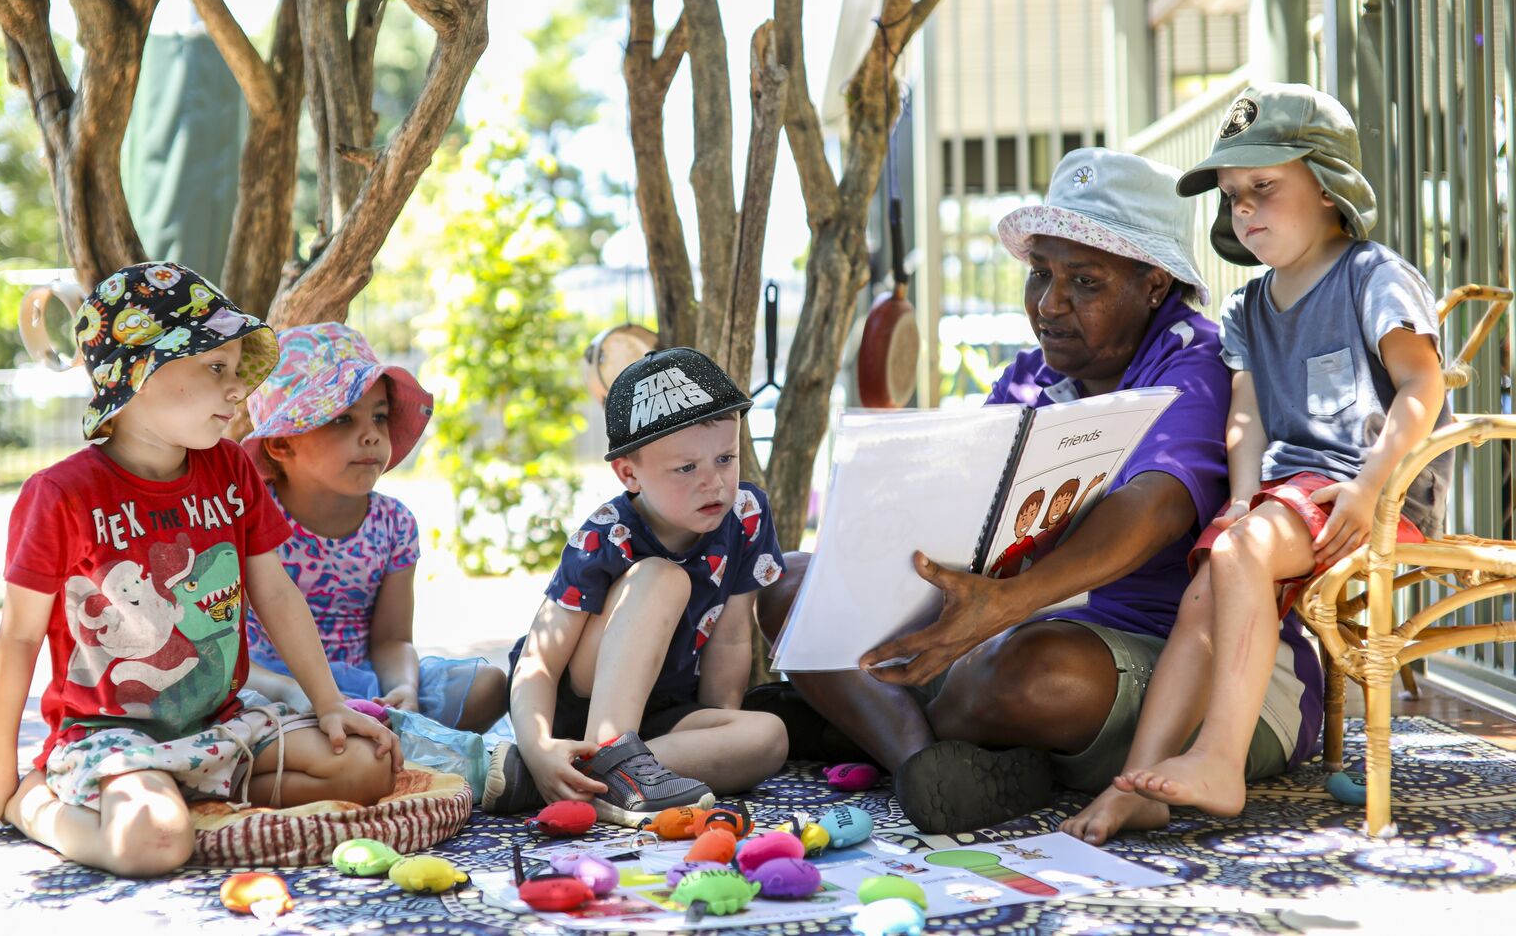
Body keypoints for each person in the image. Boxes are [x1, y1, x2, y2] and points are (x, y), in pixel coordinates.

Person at [756, 148, 1324, 834]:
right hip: (1012, 636)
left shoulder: (1199, 360)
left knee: (1031, 672)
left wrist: (1005, 605)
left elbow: (1159, 505)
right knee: (790, 585)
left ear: (1153, 284)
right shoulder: (1027, 377)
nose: (1051, 305)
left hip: (1196, 671)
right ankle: (924, 766)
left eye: (1085, 282)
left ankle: (857, 722)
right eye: (1041, 275)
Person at [1064, 84, 1449, 842]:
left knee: (1236, 552)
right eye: (1234, 196)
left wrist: (1372, 485)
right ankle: (1138, 781)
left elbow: (1421, 385)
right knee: (1202, 589)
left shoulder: (1372, 277)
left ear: (1330, 186)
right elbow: (1245, 417)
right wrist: (1240, 498)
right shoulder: (1246, 311)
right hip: (1285, 499)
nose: (1244, 210)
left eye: (1263, 188)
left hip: (1377, 490)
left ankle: (1219, 760)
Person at [0, 263, 401, 877]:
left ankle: (195, 799)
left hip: (218, 722)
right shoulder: (60, 494)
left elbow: (273, 589)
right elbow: (19, 636)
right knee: (154, 848)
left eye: (236, 369)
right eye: (215, 367)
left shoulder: (230, 471)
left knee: (366, 767)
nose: (237, 390)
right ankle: (33, 803)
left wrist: (328, 703)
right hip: (112, 735)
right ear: (136, 372)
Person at [487, 347, 789, 825]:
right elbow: (538, 661)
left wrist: (717, 729)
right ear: (630, 473)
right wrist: (540, 743)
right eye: (686, 468)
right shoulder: (607, 533)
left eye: (725, 458)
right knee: (662, 577)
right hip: (583, 711)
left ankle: (579, 780)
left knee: (768, 736)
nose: (713, 482)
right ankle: (598, 757)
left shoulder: (746, 514)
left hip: (664, 713)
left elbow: (731, 635)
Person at [238, 323, 507, 732]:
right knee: (244, 708)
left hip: (367, 683)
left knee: (489, 685)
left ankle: (388, 731)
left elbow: (392, 640)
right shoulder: (248, 519)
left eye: (379, 417)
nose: (371, 436)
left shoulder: (393, 524)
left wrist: (404, 687)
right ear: (282, 443)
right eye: (342, 419)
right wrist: (299, 692)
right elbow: (231, 652)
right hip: (278, 687)